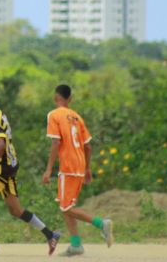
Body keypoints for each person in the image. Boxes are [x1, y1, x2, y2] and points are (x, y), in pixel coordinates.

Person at [0, 90, 60, 256]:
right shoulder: (0, 115)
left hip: (1, 169)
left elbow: (0, 146)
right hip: (11, 166)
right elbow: (0, 142)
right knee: (16, 210)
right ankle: (50, 235)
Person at [42, 84, 114, 256]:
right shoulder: (77, 117)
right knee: (66, 205)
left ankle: (101, 224)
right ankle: (76, 245)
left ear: (55, 98)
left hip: (67, 166)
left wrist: (48, 169)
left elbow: (56, 143)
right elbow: (88, 146)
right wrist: (87, 168)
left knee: (66, 208)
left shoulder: (54, 115)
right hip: (79, 165)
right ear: (70, 99)